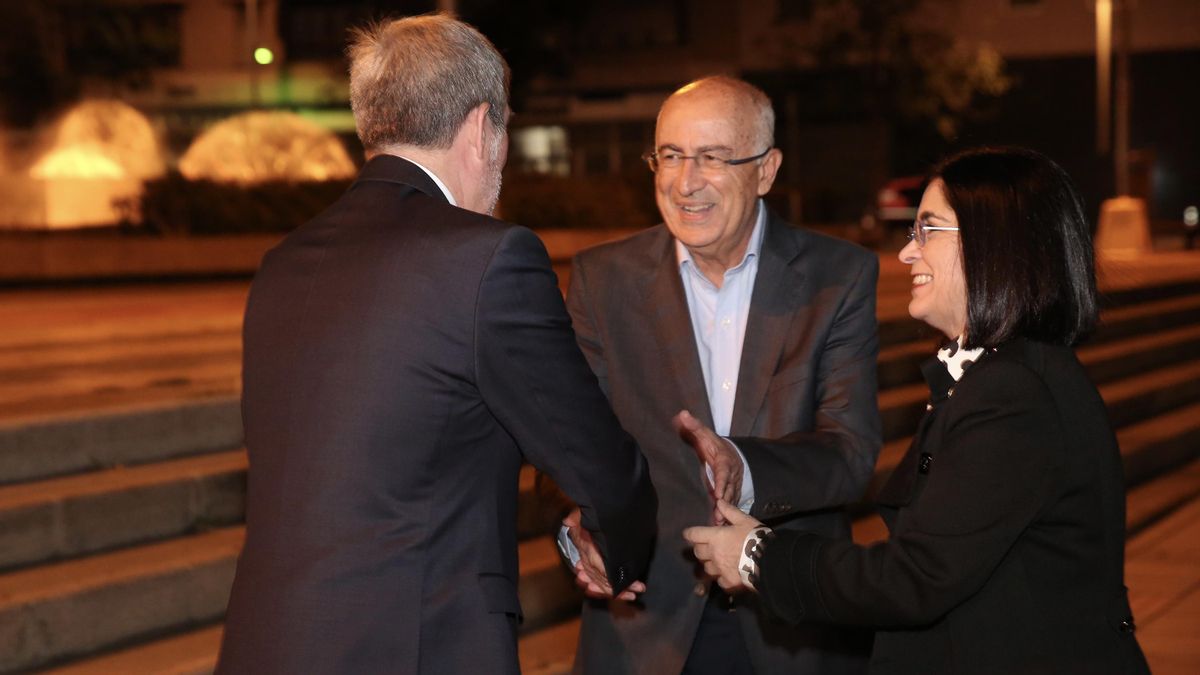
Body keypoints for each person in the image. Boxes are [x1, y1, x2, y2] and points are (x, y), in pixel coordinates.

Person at [215, 15, 656, 675]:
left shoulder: (284, 262)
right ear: (482, 128)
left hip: (269, 643)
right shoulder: (487, 260)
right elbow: (591, 455)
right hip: (417, 644)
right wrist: (619, 550)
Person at [685, 147, 1151, 674]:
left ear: (993, 243)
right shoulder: (1005, 377)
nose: (907, 253)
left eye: (928, 231)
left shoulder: (1013, 395)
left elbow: (914, 579)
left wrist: (757, 558)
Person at [553, 76, 880, 674]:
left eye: (712, 157)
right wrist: (579, 527)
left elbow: (850, 452)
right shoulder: (604, 281)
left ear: (766, 169)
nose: (685, 182)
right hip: (644, 626)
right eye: (671, 155)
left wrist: (745, 467)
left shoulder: (838, 279)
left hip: (788, 625)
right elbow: (571, 439)